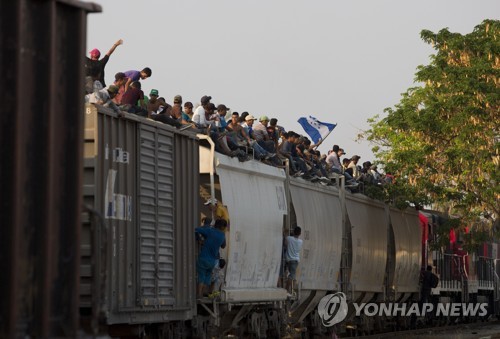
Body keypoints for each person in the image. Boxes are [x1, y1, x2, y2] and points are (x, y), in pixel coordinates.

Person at [195, 219, 227, 298]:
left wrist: (201, 237)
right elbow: (223, 246)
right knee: (208, 276)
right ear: (223, 227)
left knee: (201, 276)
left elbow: (197, 230)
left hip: (203, 258)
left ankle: (199, 294)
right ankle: (204, 293)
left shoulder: (210, 231)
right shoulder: (222, 235)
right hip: (212, 261)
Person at [285, 226, 303, 293]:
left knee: (290, 275)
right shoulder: (301, 241)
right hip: (295, 260)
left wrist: (286, 231)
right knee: (292, 276)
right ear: (300, 233)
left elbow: (285, 242)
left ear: (293, 231)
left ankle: (287, 289)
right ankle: (288, 290)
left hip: (288, 259)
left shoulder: (289, 238)